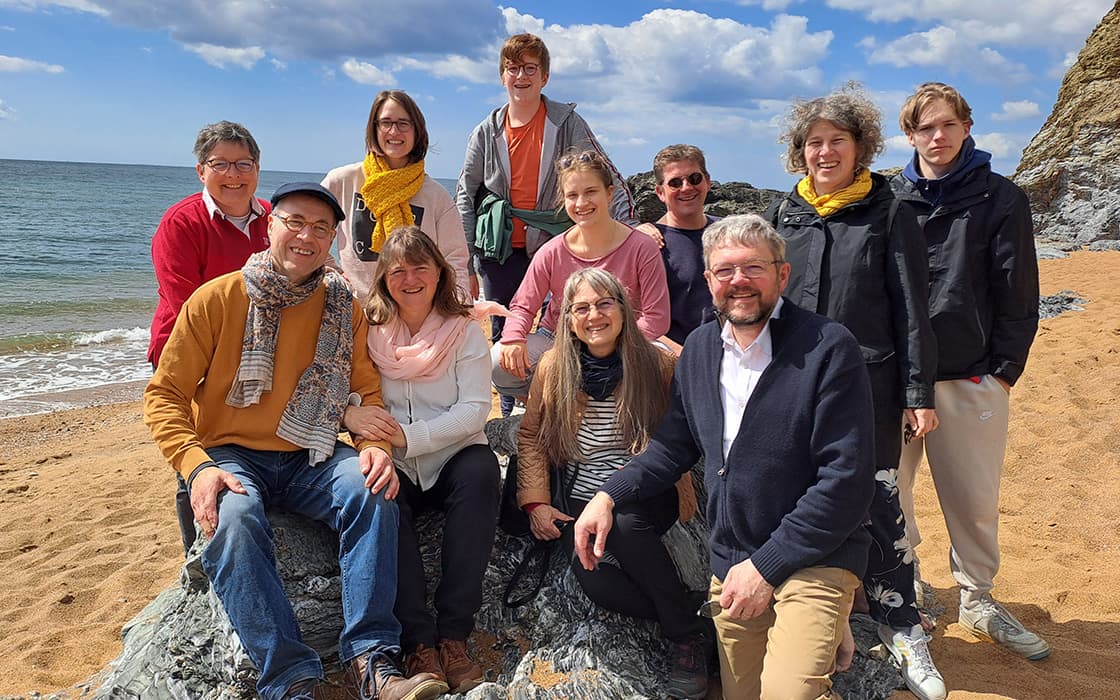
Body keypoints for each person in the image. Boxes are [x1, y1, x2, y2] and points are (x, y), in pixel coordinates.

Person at [144, 183, 444, 700]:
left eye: (321, 228)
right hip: (231, 452)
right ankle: (289, 677)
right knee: (231, 518)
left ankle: (372, 659)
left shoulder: (340, 305)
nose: (307, 236)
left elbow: (364, 385)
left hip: (314, 451)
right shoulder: (216, 299)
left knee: (373, 489)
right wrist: (196, 467)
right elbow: (164, 395)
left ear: (332, 240)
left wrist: (374, 445)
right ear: (269, 226)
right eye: (295, 222)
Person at [574, 215, 875, 700]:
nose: (739, 281)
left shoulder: (828, 347)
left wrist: (767, 569)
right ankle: (823, 622)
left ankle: (828, 609)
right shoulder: (698, 350)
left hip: (815, 557)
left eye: (753, 268)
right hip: (733, 561)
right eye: (725, 271)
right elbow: (673, 447)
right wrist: (608, 495)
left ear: (782, 275)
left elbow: (846, 480)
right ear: (709, 281)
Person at [766, 85, 945, 700]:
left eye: (836, 141)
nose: (824, 152)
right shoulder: (782, 214)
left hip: (869, 387)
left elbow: (913, 312)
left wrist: (918, 392)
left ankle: (903, 627)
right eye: (813, 143)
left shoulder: (889, 210)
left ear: (860, 146)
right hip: (791, 386)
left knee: (879, 504)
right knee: (800, 498)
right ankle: (825, 616)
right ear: (800, 151)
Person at [891, 82, 1047, 660]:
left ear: (966, 128)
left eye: (947, 125)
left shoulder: (1000, 197)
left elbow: (1018, 288)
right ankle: (903, 593)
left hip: (972, 373)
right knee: (890, 493)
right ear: (909, 134)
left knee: (973, 497)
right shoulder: (891, 198)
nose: (937, 137)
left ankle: (977, 597)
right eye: (925, 127)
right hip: (896, 377)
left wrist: (1004, 369)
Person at [516, 267, 708, 699]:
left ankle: (685, 639)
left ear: (623, 308)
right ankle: (694, 613)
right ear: (567, 319)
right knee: (598, 584)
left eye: (605, 303)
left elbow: (683, 433)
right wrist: (536, 502)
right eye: (581, 308)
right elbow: (530, 436)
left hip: (647, 484)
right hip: (581, 494)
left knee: (624, 524)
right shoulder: (553, 366)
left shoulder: (657, 361)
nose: (594, 315)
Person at [345, 228, 501, 694]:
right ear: (384, 279)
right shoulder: (367, 329)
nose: (410, 279)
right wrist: (372, 436)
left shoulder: (465, 329)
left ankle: (454, 635)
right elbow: (351, 390)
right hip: (397, 460)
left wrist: (408, 436)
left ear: (439, 273)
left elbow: (475, 410)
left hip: (453, 455)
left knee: (483, 472)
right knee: (378, 493)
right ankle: (419, 643)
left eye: (420, 268)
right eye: (398, 271)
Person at [456, 32, 637, 414]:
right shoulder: (485, 131)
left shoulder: (565, 122)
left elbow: (606, 176)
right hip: (499, 249)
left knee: (565, 327)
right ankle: (511, 416)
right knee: (507, 331)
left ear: (545, 77)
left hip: (554, 244)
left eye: (529, 68)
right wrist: (467, 261)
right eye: (512, 68)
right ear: (502, 76)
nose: (520, 76)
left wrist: (631, 234)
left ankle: (570, 409)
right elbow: (465, 194)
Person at [148, 120, 270, 556]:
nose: (234, 174)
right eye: (221, 164)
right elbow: (186, 308)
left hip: (258, 354)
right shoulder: (181, 224)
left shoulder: (273, 219)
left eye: (244, 163)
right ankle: (194, 555)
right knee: (197, 454)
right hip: (189, 354)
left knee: (243, 445)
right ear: (201, 171)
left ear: (258, 168)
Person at [490, 149, 669, 400]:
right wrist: (513, 338)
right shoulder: (551, 251)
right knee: (499, 359)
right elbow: (523, 306)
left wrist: (610, 344)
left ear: (609, 193)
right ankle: (543, 410)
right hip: (559, 339)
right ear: (563, 201)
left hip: (624, 339)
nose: (581, 203)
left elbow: (657, 317)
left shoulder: (642, 247)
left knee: (662, 362)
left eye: (591, 192)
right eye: (572, 195)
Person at [323, 89, 471, 301]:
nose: (394, 131)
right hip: (354, 310)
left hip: (414, 313)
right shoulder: (343, 180)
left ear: (417, 130)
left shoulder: (436, 196)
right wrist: (332, 272)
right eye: (386, 122)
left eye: (403, 123)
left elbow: (455, 259)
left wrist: (456, 312)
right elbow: (309, 231)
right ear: (374, 128)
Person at [636, 144, 721, 353]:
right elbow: (638, 317)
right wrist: (685, 359)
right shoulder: (648, 244)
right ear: (660, 192)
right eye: (675, 183)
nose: (686, 187)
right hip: (674, 360)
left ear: (707, 181)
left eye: (694, 178)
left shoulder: (728, 233)